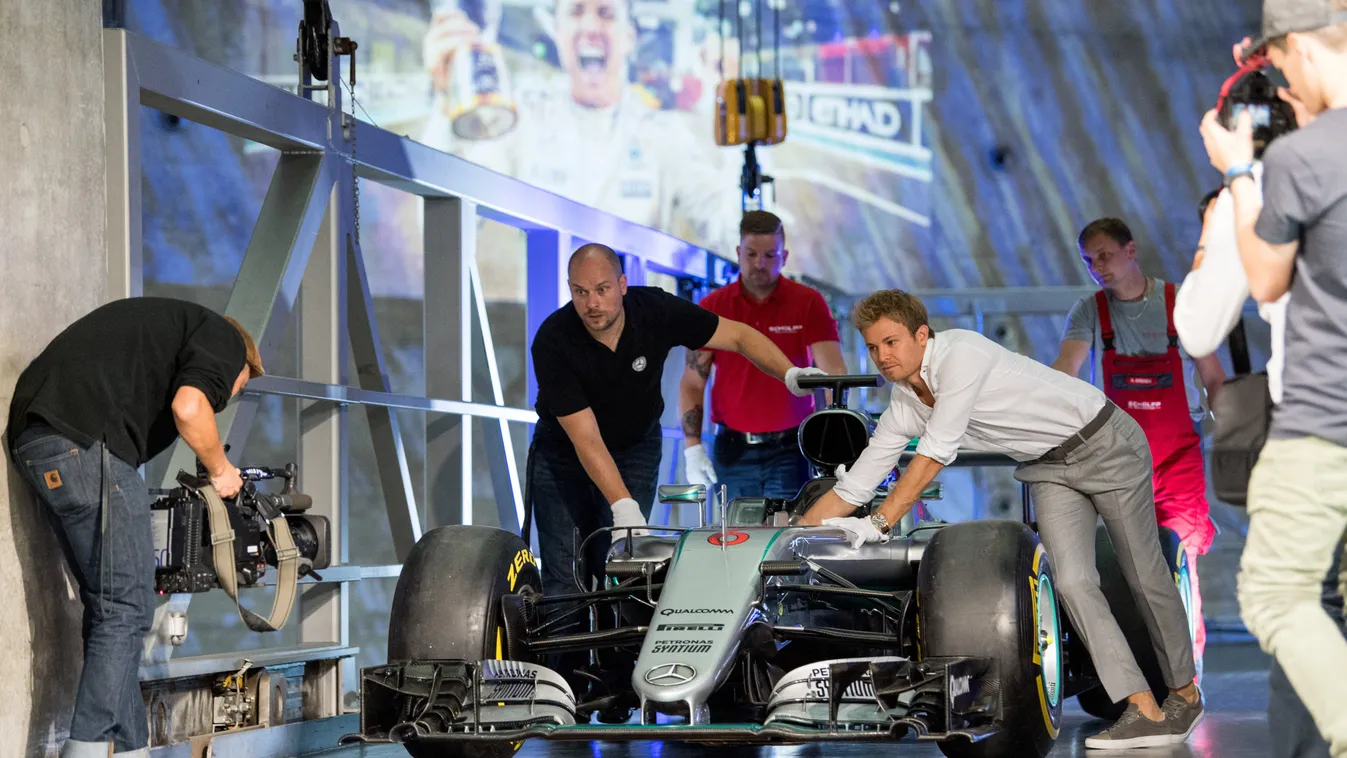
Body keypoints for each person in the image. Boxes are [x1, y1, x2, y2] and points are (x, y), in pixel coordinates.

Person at [799, 290, 1203, 750]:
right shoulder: (904, 402)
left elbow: (934, 453)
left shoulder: (961, 356)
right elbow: (856, 485)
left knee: (1144, 574)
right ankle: (1142, 708)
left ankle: (1184, 696)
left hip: (1105, 442)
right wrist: (793, 535)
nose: (882, 356)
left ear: (921, 334)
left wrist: (881, 522)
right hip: (1049, 467)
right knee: (1071, 583)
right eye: (873, 347)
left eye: (891, 342)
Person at [6, 298, 263, 758]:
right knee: (127, 607)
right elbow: (190, 407)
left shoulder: (166, 333)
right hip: (84, 443)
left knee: (108, 607)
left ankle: (129, 749)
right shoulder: (223, 340)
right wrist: (222, 469)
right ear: (245, 365)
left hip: (36, 443)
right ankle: (84, 749)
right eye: (239, 386)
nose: (231, 395)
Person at [1198, 2, 1347, 752]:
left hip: (1324, 418)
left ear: (1298, 49)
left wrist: (1236, 170)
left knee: (1278, 593)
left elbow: (1263, 279)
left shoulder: (1305, 156)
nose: (1283, 82)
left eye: (1281, 64)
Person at [528, 243, 819, 601]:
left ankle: (619, 657)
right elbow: (586, 438)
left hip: (636, 445)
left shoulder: (656, 310)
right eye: (580, 292)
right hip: (564, 455)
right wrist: (624, 506)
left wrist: (790, 374)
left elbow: (740, 336)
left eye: (602, 290)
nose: (592, 304)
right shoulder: (553, 340)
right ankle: (564, 658)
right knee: (564, 573)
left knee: (623, 564)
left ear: (622, 284)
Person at [1051, 217, 1227, 678]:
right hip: (1118, 459)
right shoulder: (1090, 312)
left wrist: (1231, 433)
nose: (1097, 268)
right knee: (1127, 564)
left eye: (1105, 256)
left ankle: (1190, 672)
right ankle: (1142, 670)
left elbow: (1212, 377)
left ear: (1132, 250)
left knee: (1182, 559)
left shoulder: (1178, 305)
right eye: (1089, 261)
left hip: (1177, 456)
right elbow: (1064, 374)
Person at [420, 0, 743, 251]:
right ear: (557, 31)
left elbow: (734, 234)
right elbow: (448, 221)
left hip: (638, 332)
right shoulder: (525, 124)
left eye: (605, 13)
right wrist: (446, 99)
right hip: (549, 331)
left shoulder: (662, 132)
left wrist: (739, 117)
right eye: (575, 12)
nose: (590, 26)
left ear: (628, 37)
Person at [678, 211, 848, 500]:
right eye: (751, 254)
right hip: (732, 449)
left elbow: (836, 378)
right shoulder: (713, 306)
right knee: (731, 539)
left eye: (770, 255)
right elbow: (693, 381)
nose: (759, 264)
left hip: (791, 449)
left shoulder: (808, 303)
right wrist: (692, 446)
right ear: (738, 253)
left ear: (784, 256)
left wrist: (829, 440)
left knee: (790, 539)